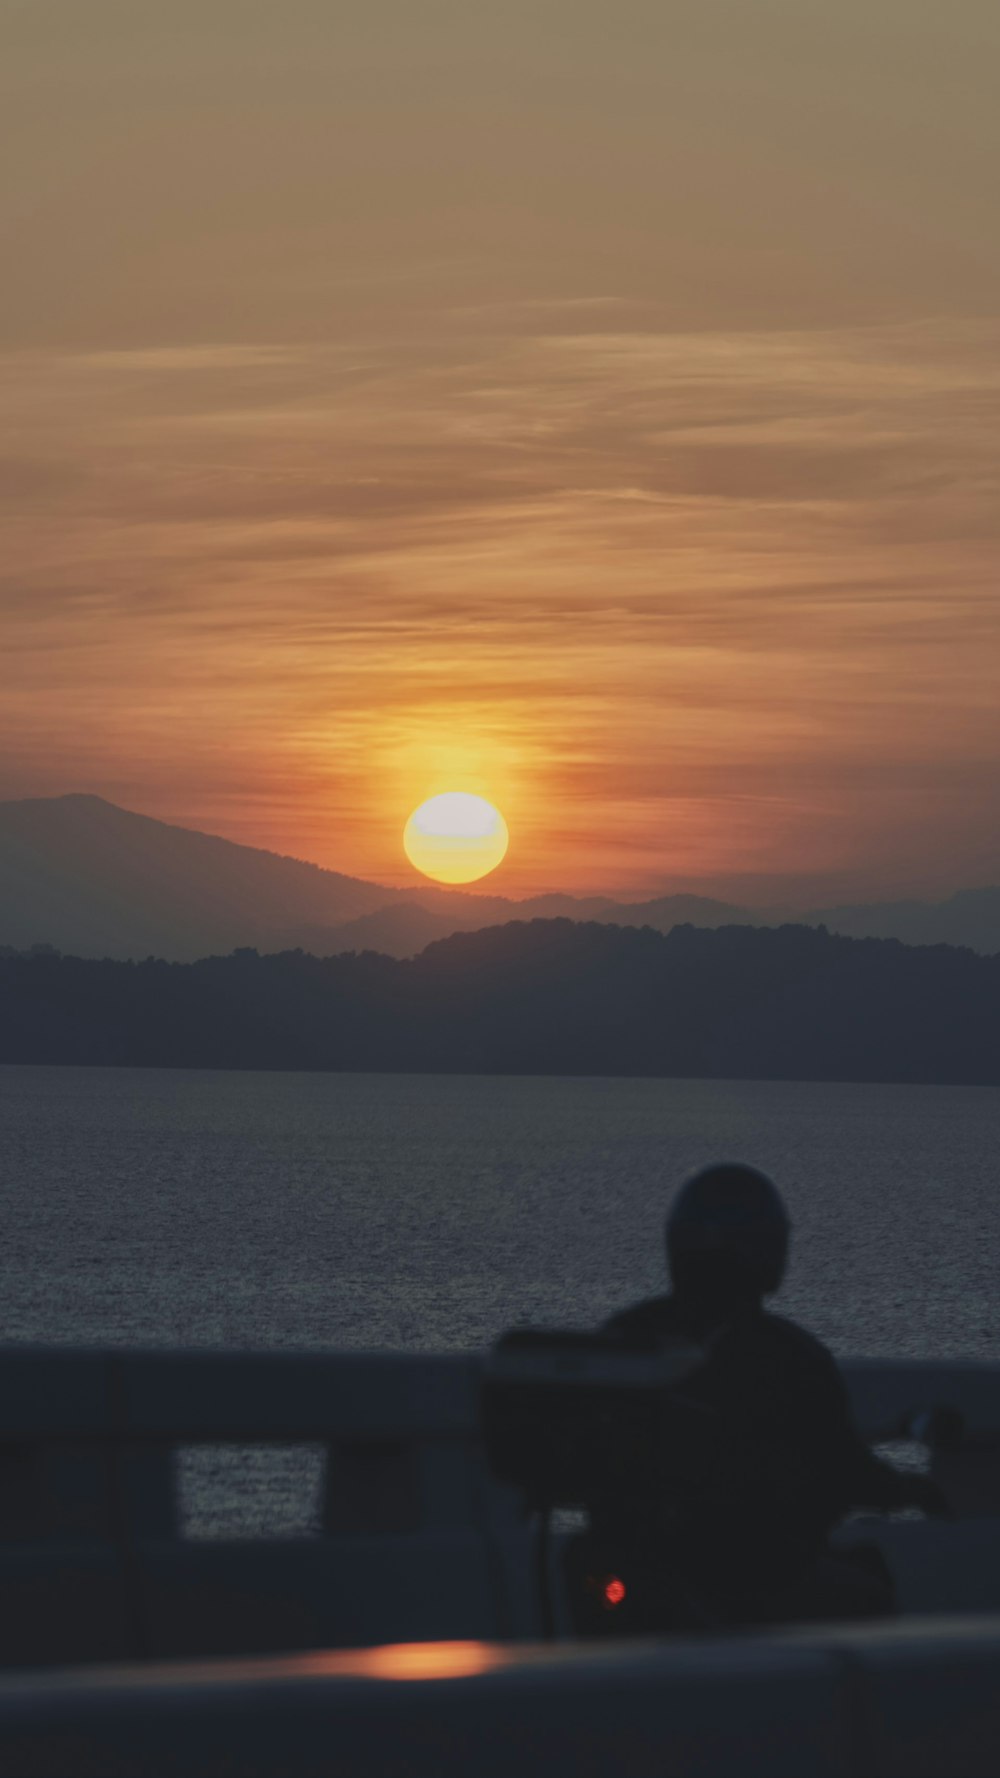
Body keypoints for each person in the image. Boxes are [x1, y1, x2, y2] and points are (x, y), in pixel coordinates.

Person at [574, 1162, 947, 1632]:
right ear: (768, 1251)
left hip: (630, 1568)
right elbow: (845, 1469)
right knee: (868, 1591)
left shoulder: (623, 1335)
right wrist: (913, 1490)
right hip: (749, 1576)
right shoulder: (787, 1355)